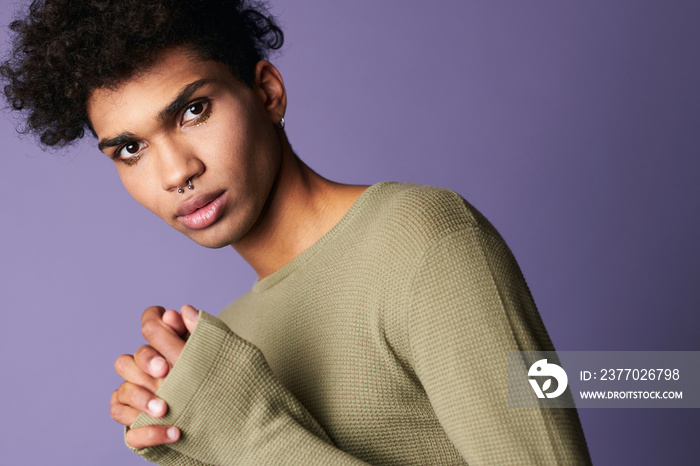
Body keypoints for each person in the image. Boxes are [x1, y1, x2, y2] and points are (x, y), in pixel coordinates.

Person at [2, 0, 592, 464]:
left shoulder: (422, 240)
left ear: (267, 93)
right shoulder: (224, 350)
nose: (176, 171)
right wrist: (193, 438)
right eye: (130, 149)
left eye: (193, 111)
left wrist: (248, 435)